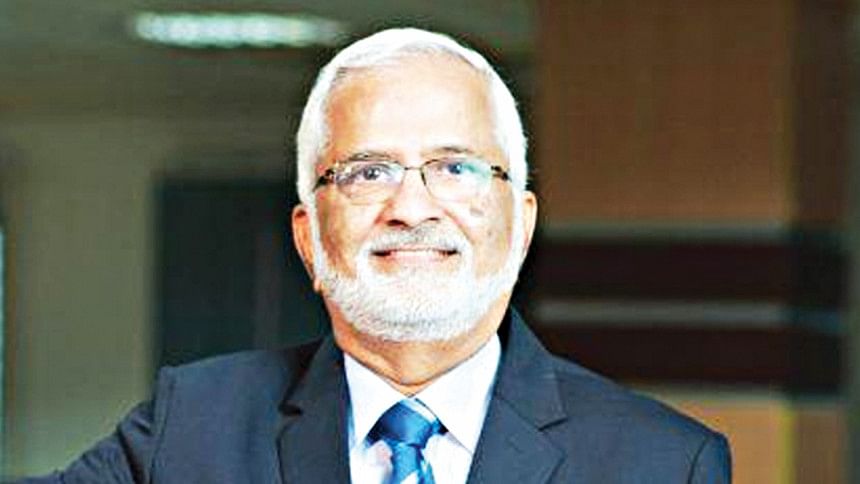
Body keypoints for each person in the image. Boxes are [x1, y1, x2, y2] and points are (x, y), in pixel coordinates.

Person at [17, 28, 731, 483]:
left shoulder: (666, 463)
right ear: (308, 237)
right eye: (368, 172)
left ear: (520, 224)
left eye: (455, 168)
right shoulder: (193, 425)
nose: (412, 208)